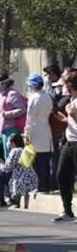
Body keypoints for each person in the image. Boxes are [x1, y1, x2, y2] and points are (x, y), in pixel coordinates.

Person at [23, 72, 53, 192]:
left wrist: (27, 134)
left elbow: (29, 118)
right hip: (46, 128)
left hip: (36, 130)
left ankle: (39, 186)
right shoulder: (48, 97)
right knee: (45, 160)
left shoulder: (33, 98)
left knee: (37, 161)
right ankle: (45, 185)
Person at [0, 133, 37, 208]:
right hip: (29, 179)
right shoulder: (23, 150)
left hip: (21, 179)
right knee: (3, 174)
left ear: (13, 143)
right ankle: (9, 197)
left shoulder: (15, 151)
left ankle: (0, 200)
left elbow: (7, 168)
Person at [54, 72, 77, 222]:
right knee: (61, 175)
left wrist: (73, 115)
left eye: (66, 84)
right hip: (69, 141)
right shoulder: (72, 100)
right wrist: (66, 119)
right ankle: (67, 210)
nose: (64, 87)